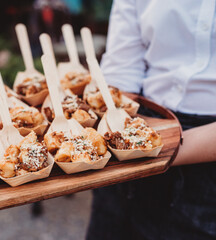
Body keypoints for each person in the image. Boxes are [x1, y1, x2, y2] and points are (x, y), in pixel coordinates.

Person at [86, 0, 216, 239]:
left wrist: (157, 147)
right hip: (137, 124)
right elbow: (122, 67)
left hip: (206, 157)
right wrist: (108, 124)